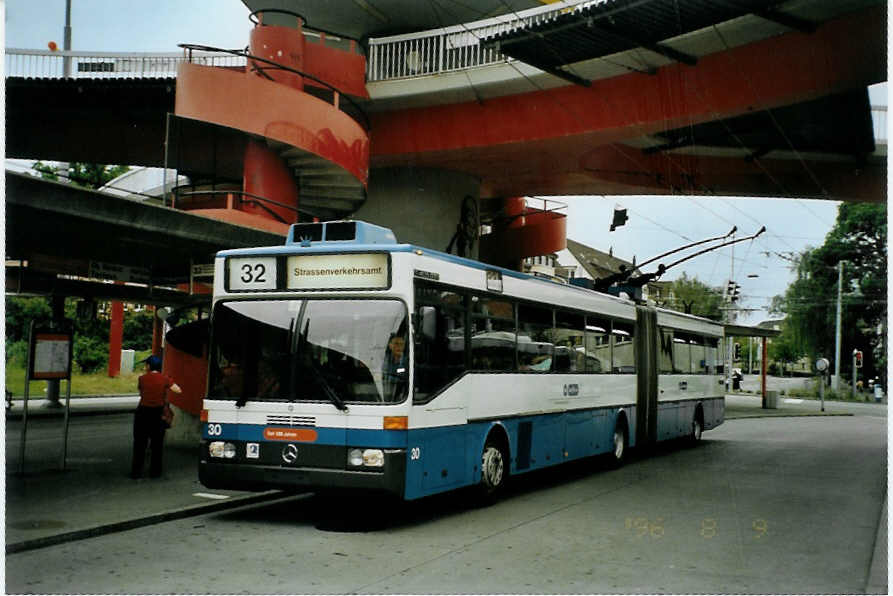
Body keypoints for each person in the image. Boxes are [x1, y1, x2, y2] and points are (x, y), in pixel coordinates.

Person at [131, 355, 181, 479]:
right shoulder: (165, 379)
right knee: (157, 445)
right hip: (158, 414)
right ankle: (155, 472)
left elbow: (141, 391)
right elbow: (178, 390)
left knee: (140, 444)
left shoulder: (142, 379)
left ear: (148, 366)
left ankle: (136, 472)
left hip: (142, 413)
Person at [381, 333, 407, 399]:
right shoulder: (383, 360)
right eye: (396, 344)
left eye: (401, 344)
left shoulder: (408, 362)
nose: (399, 347)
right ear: (390, 345)